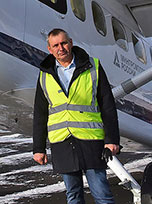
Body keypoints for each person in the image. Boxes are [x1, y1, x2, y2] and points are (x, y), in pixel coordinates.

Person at [33, 28, 120, 204]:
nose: (61, 48)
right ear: (49, 49)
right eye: (55, 45)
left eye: (64, 43)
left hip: (90, 141)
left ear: (71, 43)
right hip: (62, 142)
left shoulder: (92, 66)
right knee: (73, 195)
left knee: (102, 195)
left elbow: (108, 106)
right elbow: (40, 113)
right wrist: (38, 148)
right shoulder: (44, 75)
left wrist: (112, 140)